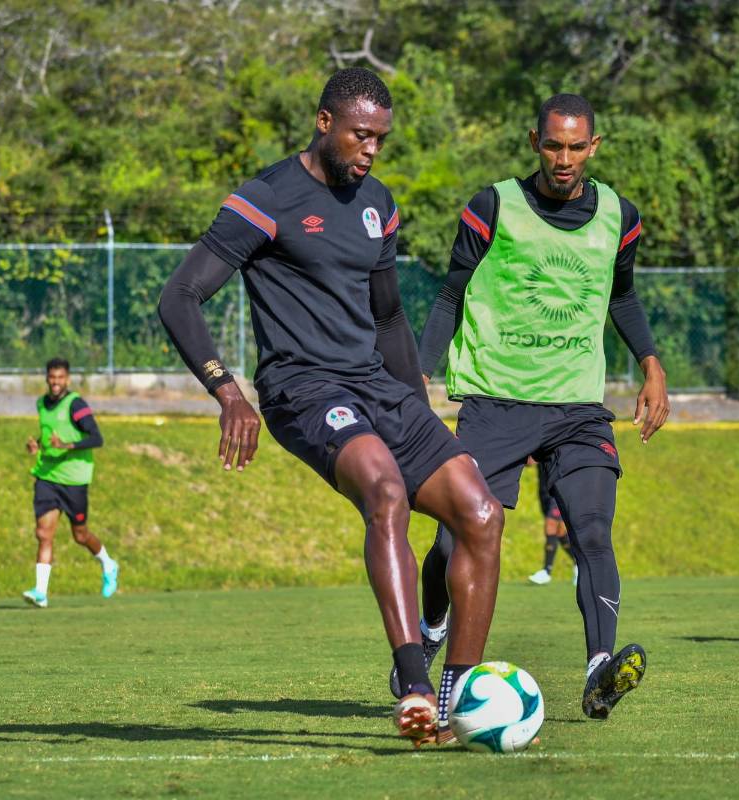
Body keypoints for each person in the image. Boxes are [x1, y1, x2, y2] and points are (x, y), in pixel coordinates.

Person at [156, 68, 503, 745]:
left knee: (480, 513)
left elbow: (389, 316)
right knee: (385, 489)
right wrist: (227, 390)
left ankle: (459, 700)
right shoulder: (266, 197)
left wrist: (416, 404)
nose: (372, 149)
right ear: (324, 123)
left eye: (381, 138)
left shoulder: (379, 202)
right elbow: (180, 296)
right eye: (361, 135)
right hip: (303, 390)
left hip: (377, 387)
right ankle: (412, 684)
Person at [399, 93, 670, 725]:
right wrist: (417, 377)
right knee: (451, 539)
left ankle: (600, 668)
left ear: (594, 146)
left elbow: (621, 296)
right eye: (553, 145)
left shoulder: (620, 217)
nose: (565, 158)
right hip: (495, 400)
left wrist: (652, 365)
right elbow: (450, 294)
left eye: (577, 146)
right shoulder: (493, 206)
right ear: (534, 142)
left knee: (593, 530)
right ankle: (432, 624)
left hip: (577, 405)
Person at [23, 357, 118, 607]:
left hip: (74, 480)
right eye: (52, 377)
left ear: (67, 379)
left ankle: (108, 564)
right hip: (47, 476)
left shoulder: (76, 404)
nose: (55, 382)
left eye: (60, 377)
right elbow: (48, 436)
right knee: (43, 533)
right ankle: (40, 593)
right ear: (46, 378)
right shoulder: (41, 404)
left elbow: (97, 438)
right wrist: (36, 445)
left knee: (80, 535)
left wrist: (67, 445)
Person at [527, 461, 578, 586]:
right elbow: (529, 462)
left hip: (558, 488)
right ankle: (580, 564)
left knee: (551, 525)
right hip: (544, 491)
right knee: (561, 534)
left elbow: (531, 460)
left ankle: (546, 571)